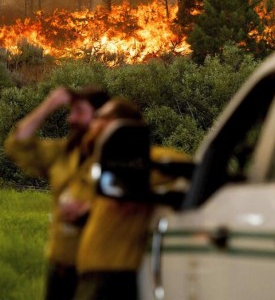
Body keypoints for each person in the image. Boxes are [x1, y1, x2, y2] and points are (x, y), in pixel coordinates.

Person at [74, 98, 190, 300]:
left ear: (120, 124)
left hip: (113, 274)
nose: (94, 122)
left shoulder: (144, 159)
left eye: (101, 117)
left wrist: (148, 199)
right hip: (94, 272)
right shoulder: (108, 163)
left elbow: (192, 171)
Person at [3, 86, 110, 300]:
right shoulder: (63, 153)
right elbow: (17, 145)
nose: (71, 119)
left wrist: (88, 210)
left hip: (96, 272)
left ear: (99, 117)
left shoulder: (114, 156)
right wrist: (49, 104)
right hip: (60, 269)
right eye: (71, 111)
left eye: (79, 111)